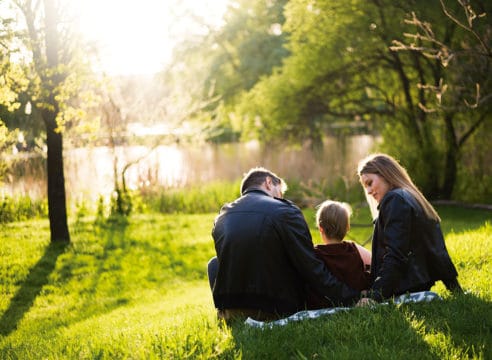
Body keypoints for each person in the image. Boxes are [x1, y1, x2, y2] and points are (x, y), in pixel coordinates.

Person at [208, 167, 360, 321]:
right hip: (275, 310)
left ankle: (225, 315)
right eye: (280, 193)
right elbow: (311, 267)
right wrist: (352, 297)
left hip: (230, 311)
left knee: (214, 263)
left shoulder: (222, 215)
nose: (280, 197)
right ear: (268, 183)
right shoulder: (285, 210)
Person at [357, 153, 462, 303]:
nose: (367, 191)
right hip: (415, 285)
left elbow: (395, 254)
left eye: (369, 183)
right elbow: (437, 250)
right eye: (365, 186)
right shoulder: (410, 197)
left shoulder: (394, 200)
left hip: (404, 289)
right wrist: (455, 289)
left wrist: (375, 296)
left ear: (386, 175)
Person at [306, 200, 371, 309]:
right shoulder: (354, 248)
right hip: (355, 296)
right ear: (348, 228)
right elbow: (375, 262)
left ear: (320, 228)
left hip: (325, 303)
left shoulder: (314, 253)